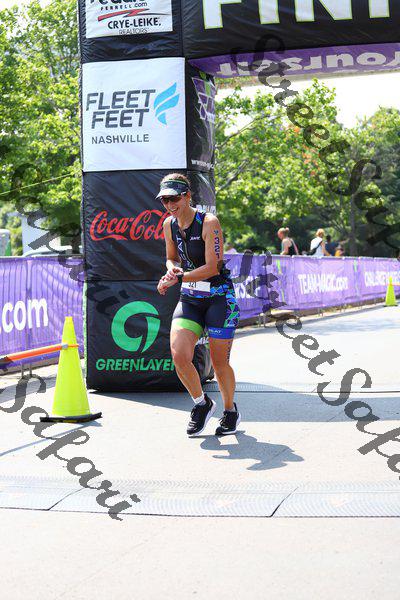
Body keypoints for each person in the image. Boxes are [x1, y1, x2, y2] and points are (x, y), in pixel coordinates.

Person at [156, 173, 241, 437]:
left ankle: (230, 411)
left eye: (174, 199)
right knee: (179, 355)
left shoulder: (209, 222)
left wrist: (180, 277)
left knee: (219, 363)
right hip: (191, 299)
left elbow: (213, 267)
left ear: (187, 196)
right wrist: (171, 270)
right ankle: (201, 404)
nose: (170, 205)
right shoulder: (169, 224)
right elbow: (172, 258)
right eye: (164, 200)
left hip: (219, 298)